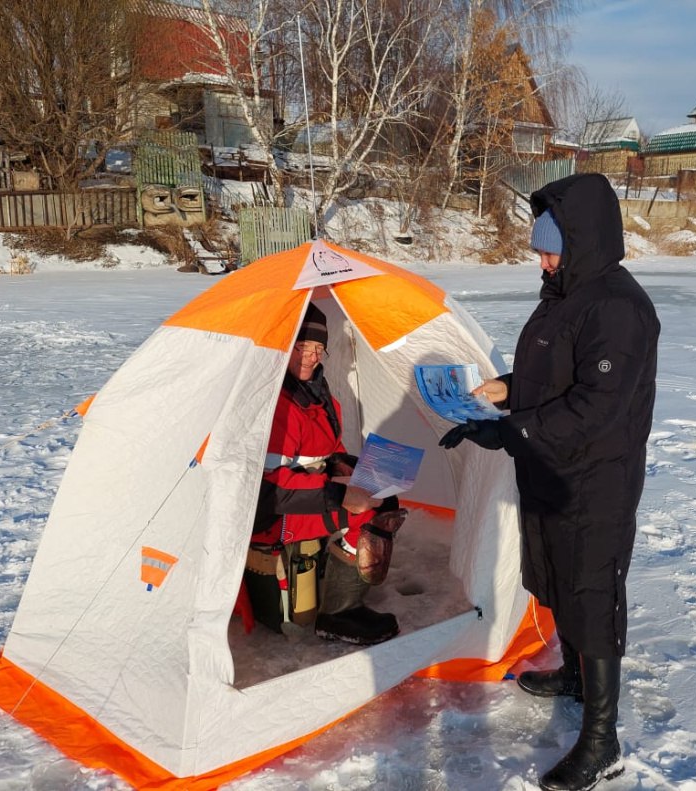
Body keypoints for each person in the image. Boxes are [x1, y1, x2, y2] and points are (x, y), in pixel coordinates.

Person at [439, 173, 659, 791]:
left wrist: (512, 431)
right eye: (539, 247)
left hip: (596, 482)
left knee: (590, 593)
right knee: (554, 577)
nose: (541, 258)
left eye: (549, 247)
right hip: (550, 469)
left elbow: (596, 406)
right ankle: (571, 672)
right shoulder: (561, 295)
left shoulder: (618, 307)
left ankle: (601, 738)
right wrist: (506, 389)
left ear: (584, 240)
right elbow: (552, 374)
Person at [245, 303, 407, 646]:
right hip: (275, 514)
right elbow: (268, 487)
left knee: (385, 500)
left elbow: (328, 449)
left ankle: (340, 592)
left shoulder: (321, 397)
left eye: (318, 349)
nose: (311, 357)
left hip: (308, 495)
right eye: (302, 348)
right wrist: (339, 495)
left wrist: (341, 466)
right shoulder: (277, 406)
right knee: (371, 515)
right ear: (285, 348)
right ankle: (338, 615)